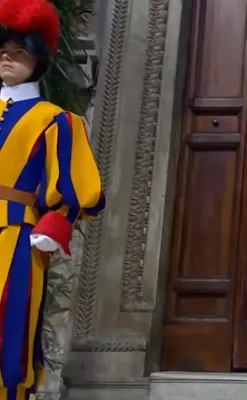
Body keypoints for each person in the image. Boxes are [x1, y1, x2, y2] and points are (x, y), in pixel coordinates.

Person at [0, 0, 105, 397]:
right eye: (2, 51)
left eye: (18, 52)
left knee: (10, 329)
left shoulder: (55, 120)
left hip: (15, 236)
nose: (7, 59)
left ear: (38, 58)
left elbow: (76, 187)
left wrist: (51, 227)